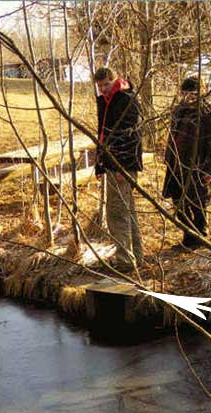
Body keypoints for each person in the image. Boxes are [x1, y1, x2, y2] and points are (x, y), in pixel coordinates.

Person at [162, 76, 211, 249]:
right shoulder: (179, 111)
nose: (189, 97)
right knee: (178, 203)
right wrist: (169, 159)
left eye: (193, 93)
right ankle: (188, 236)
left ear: (201, 93)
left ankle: (199, 239)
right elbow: (172, 137)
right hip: (176, 165)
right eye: (186, 93)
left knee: (198, 204)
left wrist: (209, 171)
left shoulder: (208, 114)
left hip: (198, 166)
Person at [94, 67, 144, 271]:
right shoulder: (105, 102)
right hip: (111, 164)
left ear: (115, 81)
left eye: (106, 84)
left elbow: (131, 137)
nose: (103, 89)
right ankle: (134, 257)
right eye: (99, 86)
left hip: (123, 165)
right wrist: (100, 164)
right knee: (127, 210)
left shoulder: (126, 100)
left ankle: (125, 261)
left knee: (116, 213)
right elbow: (102, 135)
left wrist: (120, 167)